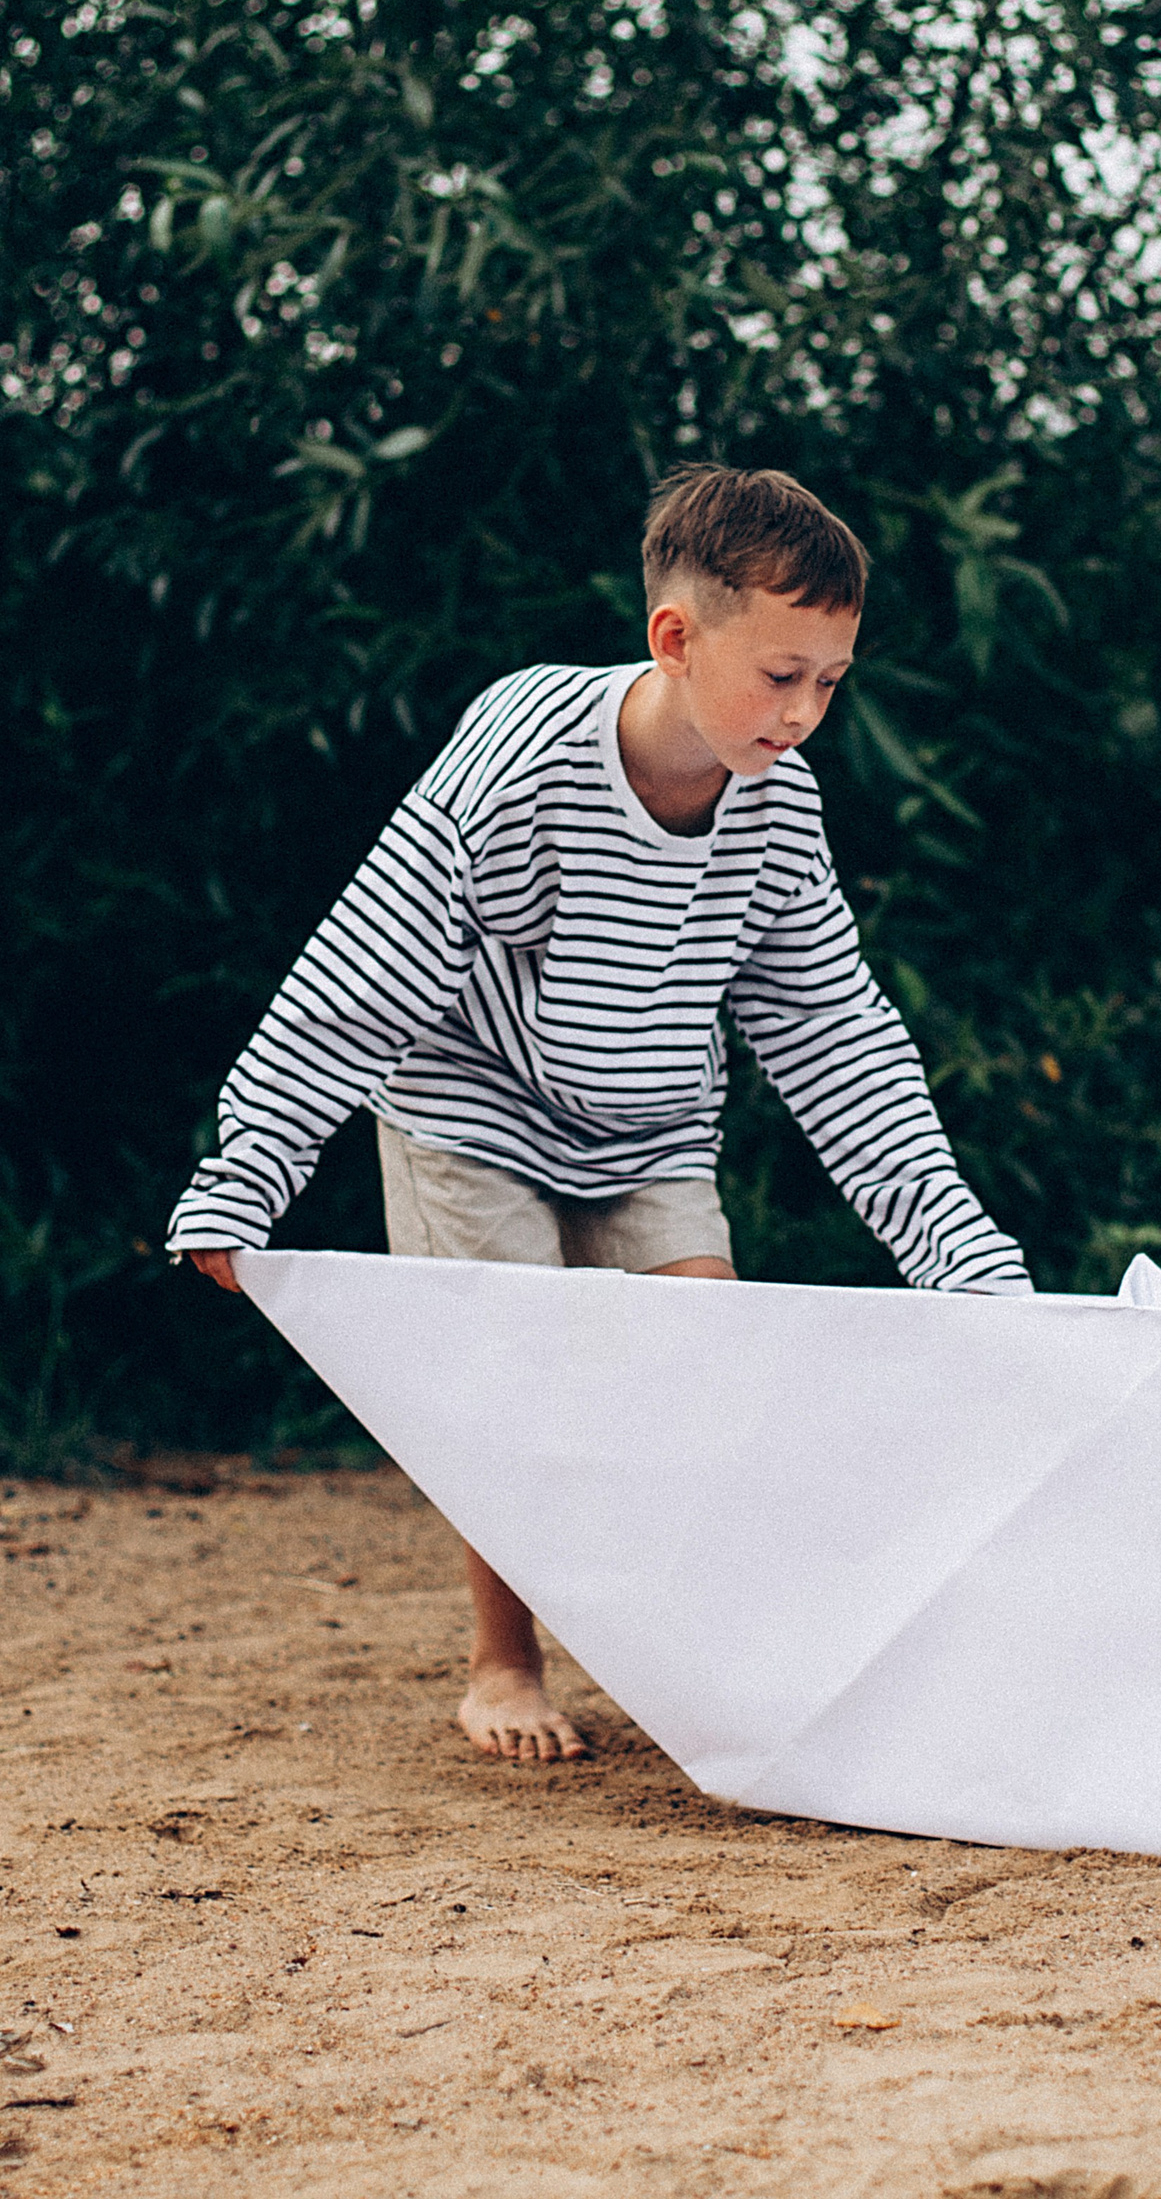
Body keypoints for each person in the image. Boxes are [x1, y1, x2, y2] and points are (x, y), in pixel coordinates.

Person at [171, 463, 1033, 1760]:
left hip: (651, 1119)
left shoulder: (779, 808)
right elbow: (367, 969)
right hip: (471, 1101)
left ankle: (700, 1664)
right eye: (781, 675)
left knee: (704, 1371)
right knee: (512, 1384)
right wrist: (249, 1170)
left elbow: (837, 1039)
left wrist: (958, 1252)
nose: (805, 713)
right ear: (675, 639)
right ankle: (503, 1662)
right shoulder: (522, 758)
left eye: (830, 681)